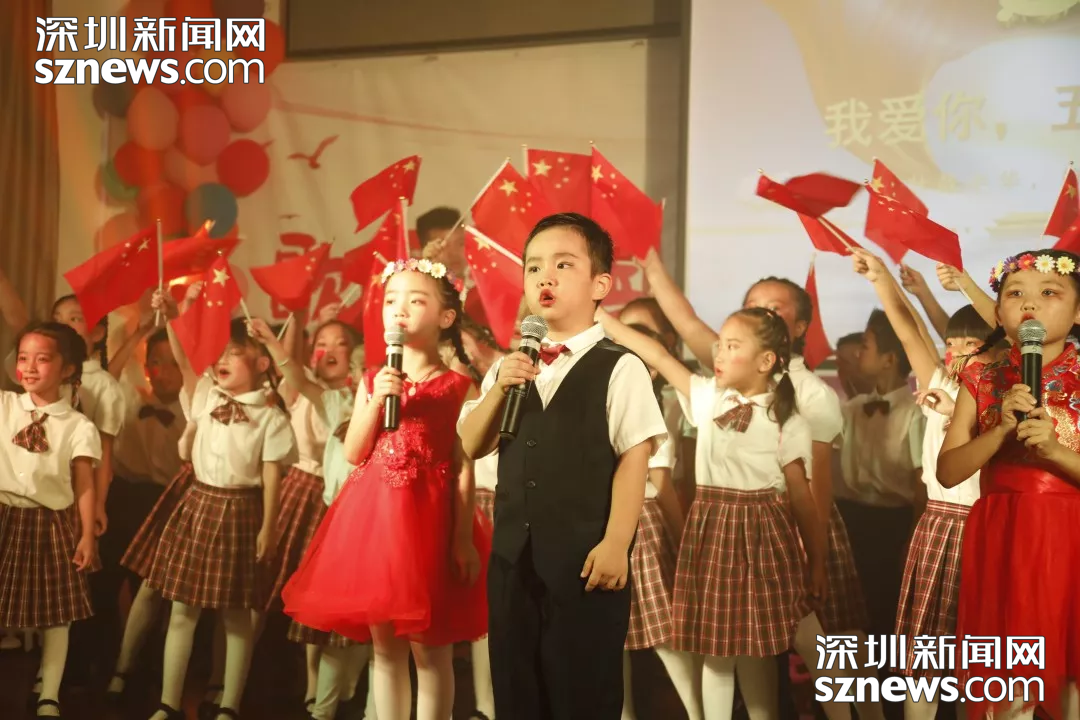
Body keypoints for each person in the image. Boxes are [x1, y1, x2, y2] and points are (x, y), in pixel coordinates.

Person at [638, 251, 880, 720]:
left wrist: (813, 555)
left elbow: (814, 488)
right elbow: (684, 326)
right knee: (739, 647)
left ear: (799, 327)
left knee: (827, 643)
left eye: (775, 307)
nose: (762, 312)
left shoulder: (809, 395)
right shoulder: (726, 384)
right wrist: (651, 269)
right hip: (735, 532)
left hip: (792, 528)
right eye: (753, 304)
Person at [458, 213, 668, 720]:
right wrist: (500, 387)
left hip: (584, 563)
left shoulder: (621, 365)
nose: (544, 277)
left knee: (580, 693)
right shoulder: (510, 366)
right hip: (513, 562)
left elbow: (634, 458)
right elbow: (471, 443)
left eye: (563, 265)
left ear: (601, 285)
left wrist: (616, 543)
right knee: (517, 690)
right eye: (533, 268)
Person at [284, 257, 488, 720]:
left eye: (416, 301)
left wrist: (461, 539)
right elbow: (355, 452)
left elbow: (463, 465)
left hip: (430, 520)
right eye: (392, 299)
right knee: (386, 649)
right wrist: (379, 399)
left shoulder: (459, 387)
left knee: (430, 651)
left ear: (446, 317)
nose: (400, 309)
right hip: (376, 521)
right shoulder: (374, 379)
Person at [851, 249, 998, 719]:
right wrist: (880, 279)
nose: (956, 352)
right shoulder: (942, 380)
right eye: (951, 343)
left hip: (985, 527)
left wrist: (958, 413)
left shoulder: (1008, 397)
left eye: (969, 345)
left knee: (985, 654)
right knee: (925, 655)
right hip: (939, 524)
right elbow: (908, 331)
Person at [939, 249, 1080, 719]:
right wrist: (999, 432)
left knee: (1068, 676)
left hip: (1069, 535)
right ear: (998, 313)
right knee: (1006, 679)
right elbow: (949, 471)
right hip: (1002, 534)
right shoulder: (981, 376)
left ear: (1078, 312)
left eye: (1049, 293)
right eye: (1015, 294)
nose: (1030, 304)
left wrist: (1056, 452)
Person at [144, 292, 296, 720]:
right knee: (181, 610)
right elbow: (183, 358)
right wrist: (173, 317)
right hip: (199, 504)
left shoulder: (270, 416)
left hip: (241, 510)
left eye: (235, 353)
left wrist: (269, 526)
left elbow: (271, 475)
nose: (221, 359)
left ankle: (229, 704)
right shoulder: (207, 394)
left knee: (236, 616)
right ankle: (168, 703)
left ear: (262, 364)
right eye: (220, 353)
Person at [250, 312, 379, 720]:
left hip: (376, 523)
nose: (362, 376)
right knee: (332, 614)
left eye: (368, 368)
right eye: (358, 369)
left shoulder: (393, 410)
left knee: (370, 619)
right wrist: (271, 339)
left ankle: (352, 691)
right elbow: (296, 376)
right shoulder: (337, 403)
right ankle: (321, 703)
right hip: (337, 519)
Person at [0, 321, 101, 718]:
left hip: (50, 523)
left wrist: (87, 535)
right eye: (23, 358)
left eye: (42, 359)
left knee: (57, 615)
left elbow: (85, 484)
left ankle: (50, 694)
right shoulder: (5, 406)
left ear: (67, 369)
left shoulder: (78, 426)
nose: (29, 367)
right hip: (4, 516)